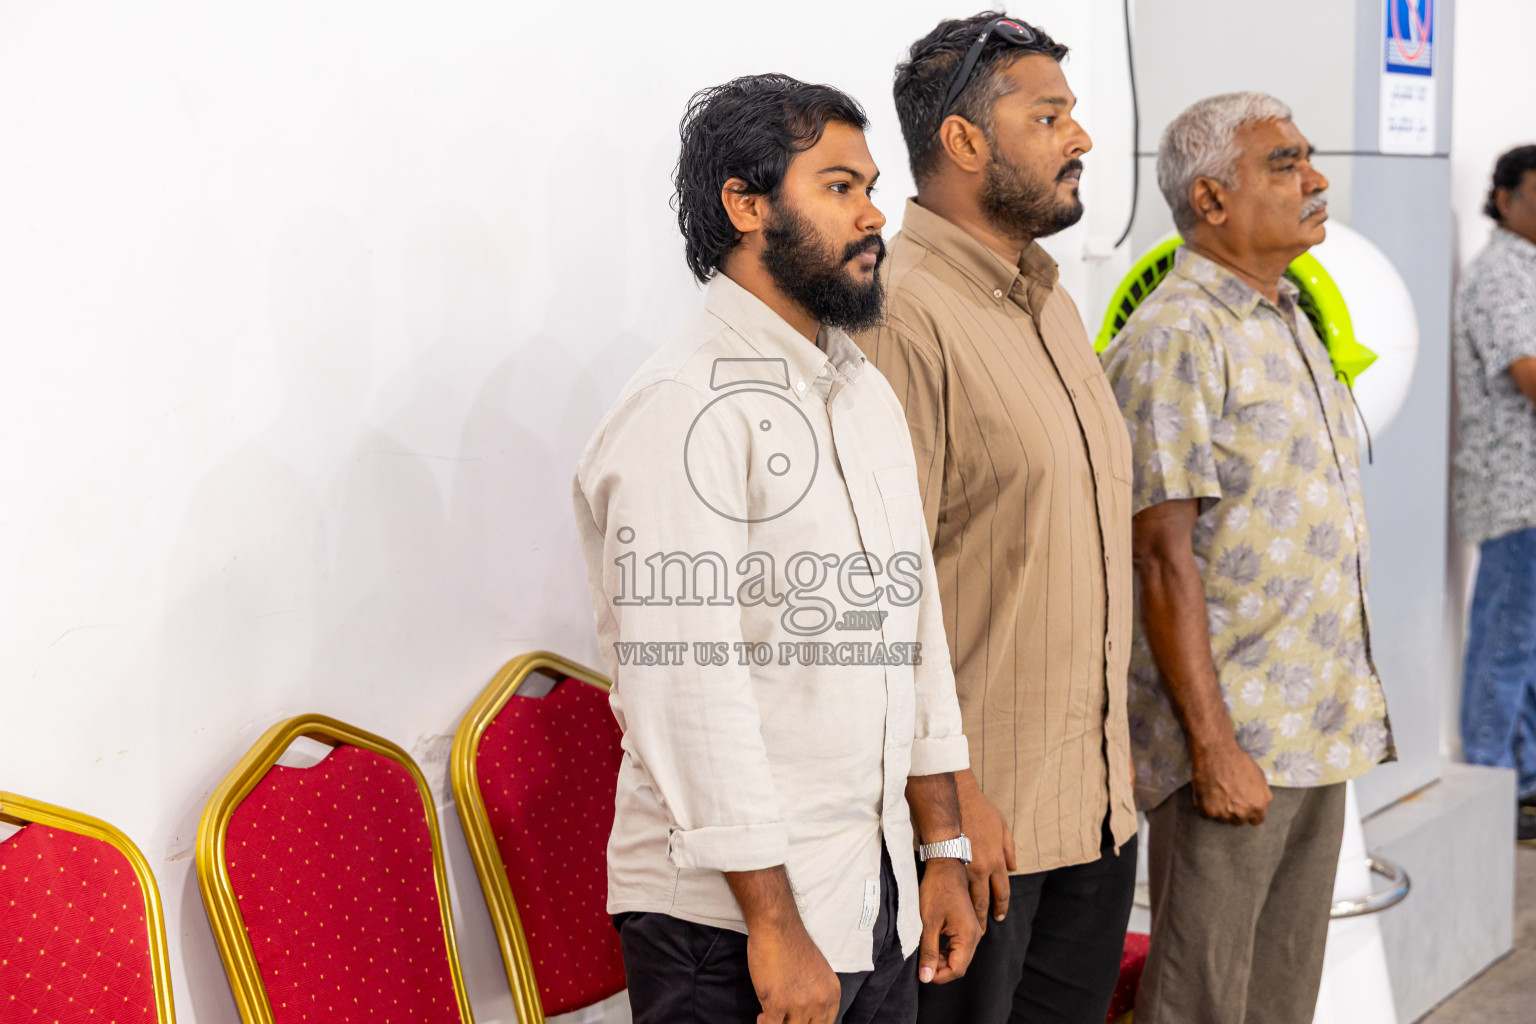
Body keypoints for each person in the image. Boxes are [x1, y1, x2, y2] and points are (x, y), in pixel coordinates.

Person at [572, 74, 981, 1024]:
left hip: (871, 892)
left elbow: (911, 638)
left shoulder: (859, 388)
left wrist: (942, 849)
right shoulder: (685, 408)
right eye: (839, 187)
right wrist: (776, 924)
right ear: (747, 205)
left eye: (871, 186)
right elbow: (688, 693)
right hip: (731, 927)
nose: (874, 214)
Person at [854, 14, 1137, 1024]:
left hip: (1094, 810)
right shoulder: (901, 313)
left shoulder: (1049, 294)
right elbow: (881, 592)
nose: (1082, 138)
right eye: (1050, 114)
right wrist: (952, 808)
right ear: (966, 142)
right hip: (983, 835)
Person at [1099, 92, 1395, 1024]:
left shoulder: (1289, 315)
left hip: (1316, 729)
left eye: (1309, 157)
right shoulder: (1178, 336)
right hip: (1229, 748)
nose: (1315, 179)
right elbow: (1157, 557)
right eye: (1285, 163)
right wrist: (1215, 749)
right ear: (1212, 198)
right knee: (1202, 1002)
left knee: (1278, 1000)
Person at [1455, 143, 1536, 845]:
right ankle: (1488, 788)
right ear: (1505, 197)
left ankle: (1526, 785)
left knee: (1527, 648)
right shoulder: (1500, 275)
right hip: (1518, 494)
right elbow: (1528, 374)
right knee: (1504, 647)